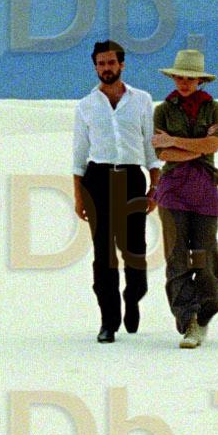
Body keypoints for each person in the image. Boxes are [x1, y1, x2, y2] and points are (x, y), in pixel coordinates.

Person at [71, 40, 161, 343]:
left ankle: (133, 296)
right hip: (97, 179)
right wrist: (78, 196)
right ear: (95, 67)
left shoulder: (142, 100)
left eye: (111, 62)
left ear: (121, 64)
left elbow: (150, 147)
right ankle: (108, 320)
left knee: (135, 250)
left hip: (132, 179)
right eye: (101, 63)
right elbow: (79, 156)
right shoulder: (85, 106)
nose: (106, 68)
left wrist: (154, 186)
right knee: (103, 254)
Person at [149, 48, 218, 348]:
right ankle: (188, 320)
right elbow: (163, 153)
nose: (184, 83)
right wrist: (197, 147)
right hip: (172, 190)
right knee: (177, 255)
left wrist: (175, 140)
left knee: (204, 255)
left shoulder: (213, 108)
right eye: (180, 77)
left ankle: (205, 312)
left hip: (204, 188)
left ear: (200, 81)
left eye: (190, 78)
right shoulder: (163, 110)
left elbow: (214, 144)